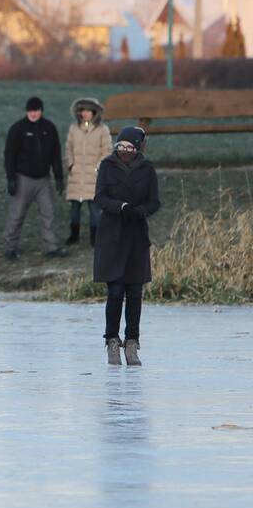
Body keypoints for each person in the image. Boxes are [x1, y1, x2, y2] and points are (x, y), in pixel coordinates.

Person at [93, 126, 160, 366]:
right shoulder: (107, 166)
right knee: (115, 291)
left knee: (134, 293)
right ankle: (112, 340)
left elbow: (155, 202)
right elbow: (99, 197)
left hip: (136, 237)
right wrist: (120, 207)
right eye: (121, 146)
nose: (124, 151)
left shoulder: (148, 169)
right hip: (112, 235)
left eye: (130, 147)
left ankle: (132, 342)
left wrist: (138, 212)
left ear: (138, 148)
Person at [2, 97, 69, 260]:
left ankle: (51, 247)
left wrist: (59, 177)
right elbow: (9, 155)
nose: (33, 113)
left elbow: (55, 154)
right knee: (16, 214)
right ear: (27, 111)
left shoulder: (49, 128)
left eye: (36, 110)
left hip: (44, 180)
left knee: (49, 213)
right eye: (30, 110)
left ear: (41, 111)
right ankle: (10, 248)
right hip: (23, 179)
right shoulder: (18, 129)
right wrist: (11, 179)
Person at [64, 97, 111, 246]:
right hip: (76, 175)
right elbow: (68, 148)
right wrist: (70, 164)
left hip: (94, 176)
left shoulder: (102, 130)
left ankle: (95, 237)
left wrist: (98, 167)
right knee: (74, 210)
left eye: (88, 111)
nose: (85, 113)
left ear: (94, 112)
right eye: (82, 110)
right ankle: (74, 235)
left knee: (95, 209)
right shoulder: (73, 128)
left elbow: (107, 150)